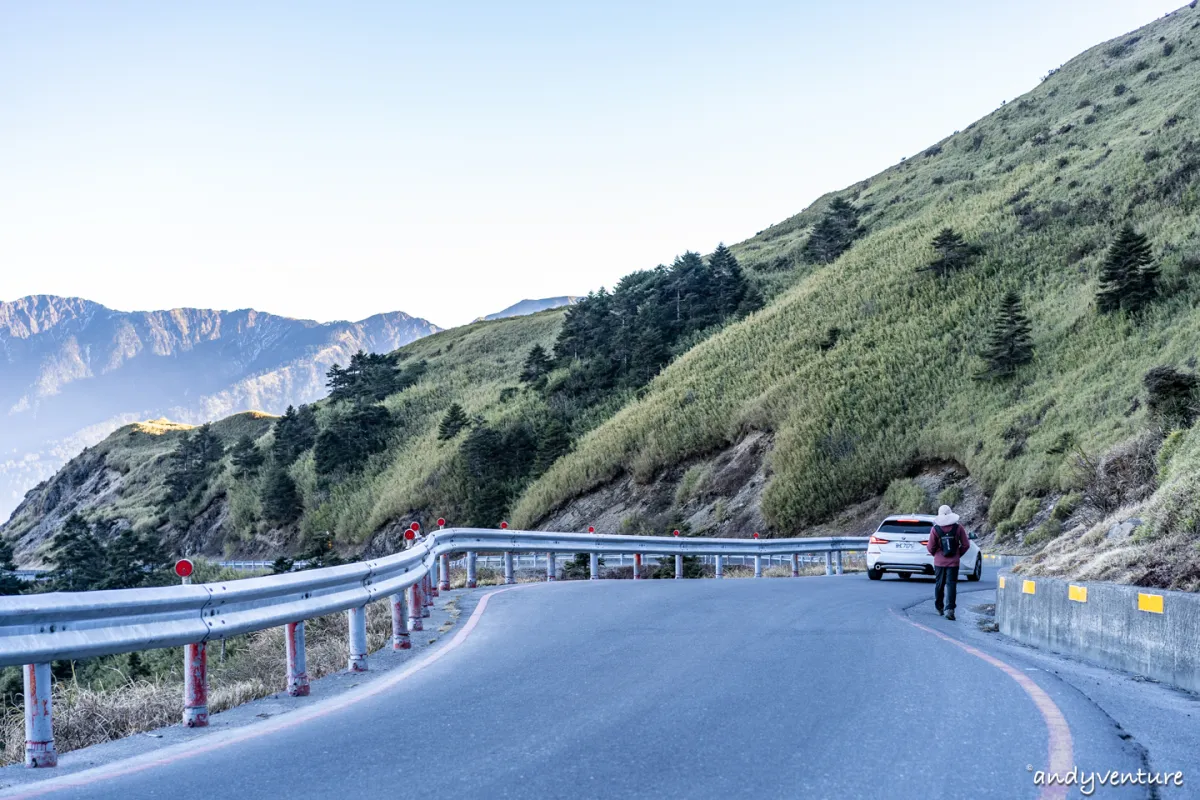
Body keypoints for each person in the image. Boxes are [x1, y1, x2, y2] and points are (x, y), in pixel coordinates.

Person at [926, 505, 970, 620]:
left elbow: (930, 547)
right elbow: (966, 545)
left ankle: (939, 607)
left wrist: (937, 555)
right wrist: (957, 554)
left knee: (939, 584)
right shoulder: (958, 528)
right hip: (954, 562)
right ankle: (950, 609)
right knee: (951, 584)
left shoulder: (935, 529)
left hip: (939, 562)